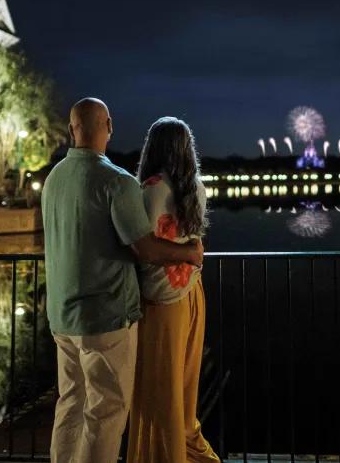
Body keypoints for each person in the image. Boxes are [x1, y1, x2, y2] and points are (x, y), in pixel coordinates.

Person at [42, 98, 204, 463]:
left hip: (62, 317)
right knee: (105, 413)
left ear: (71, 130)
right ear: (109, 126)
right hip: (106, 316)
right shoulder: (117, 181)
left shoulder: (53, 179)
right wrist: (190, 254)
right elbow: (145, 249)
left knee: (70, 405)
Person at [126, 117, 220, 463]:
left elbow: (144, 248)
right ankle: (189, 453)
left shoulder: (151, 189)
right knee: (183, 391)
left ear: (154, 148)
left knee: (157, 392)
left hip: (160, 303)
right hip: (193, 295)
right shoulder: (196, 188)